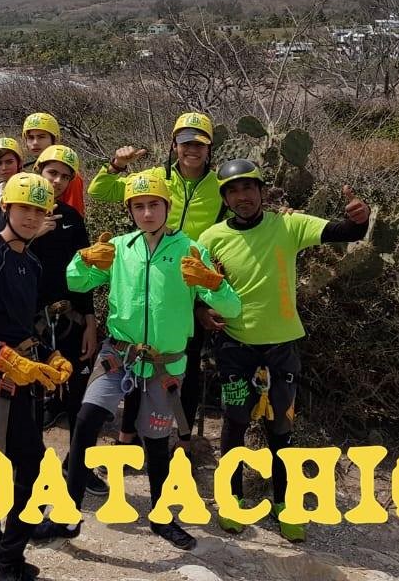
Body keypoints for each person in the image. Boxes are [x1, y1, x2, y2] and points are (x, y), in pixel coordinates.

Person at [33, 172, 243, 551]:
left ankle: (162, 518)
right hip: (119, 355)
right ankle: (66, 514)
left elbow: (232, 307)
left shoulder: (190, 250)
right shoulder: (119, 247)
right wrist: (83, 260)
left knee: (157, 444)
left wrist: (214, 285)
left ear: (167, 207)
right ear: (130, 210)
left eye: (154, 205)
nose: (146, 213)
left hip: (165, 364)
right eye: (138, 206)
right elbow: (75, 282)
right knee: (85, 423)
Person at [200, 159, 370, 543]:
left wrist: (360, 219)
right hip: (234, 347)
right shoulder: (210, 238)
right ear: (225, 199)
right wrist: (201, 310)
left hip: (281, 347)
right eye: (232, 191)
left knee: (281, 427)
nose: (241, 197)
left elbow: (345, 232)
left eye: (248, 189)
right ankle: (231, 500)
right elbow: (195, 284)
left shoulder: (288, 225)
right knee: (235, 423)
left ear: (262, 191)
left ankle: (284, 503)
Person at [0, 173, 69, 581]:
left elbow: (28, 319)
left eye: (39, 211)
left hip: (24, 370)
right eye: (24, 208)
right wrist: (1, 355)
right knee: (27, 463)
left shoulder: (29, 260)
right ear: (7, 208)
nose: (31, 217)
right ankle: (9, 559)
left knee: (4, 462)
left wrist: (50, 353)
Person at [87, 111, 223, 455]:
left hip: (191, 283)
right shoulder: (155, 178)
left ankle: (182, 439)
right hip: (150, 279)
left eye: (199, 143)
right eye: (185, 142)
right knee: (137, 359)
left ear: (209, 148)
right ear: (174, 144)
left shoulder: (219, 186)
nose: (191, 149)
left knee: (185, 364)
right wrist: (117, 165)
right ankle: (128, 437)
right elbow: (100, 189)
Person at [27, 145, 93, 432]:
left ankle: (76, 462)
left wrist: (90, 322)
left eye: (64, 177)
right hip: (28, 318)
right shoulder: (14, 214)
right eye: (51, 172)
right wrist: (32, 235)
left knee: (77, 383)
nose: (56, 181)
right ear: (38, 171)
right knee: (31, 387)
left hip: (68, 315)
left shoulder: (72, 218)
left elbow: (85, 272)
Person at [20, 113, 85, 217]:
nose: (35, 142)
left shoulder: (71, 175)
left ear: (54, 139)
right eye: (30, 138)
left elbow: (75, 217)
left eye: (41, 137)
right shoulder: (32, 168)